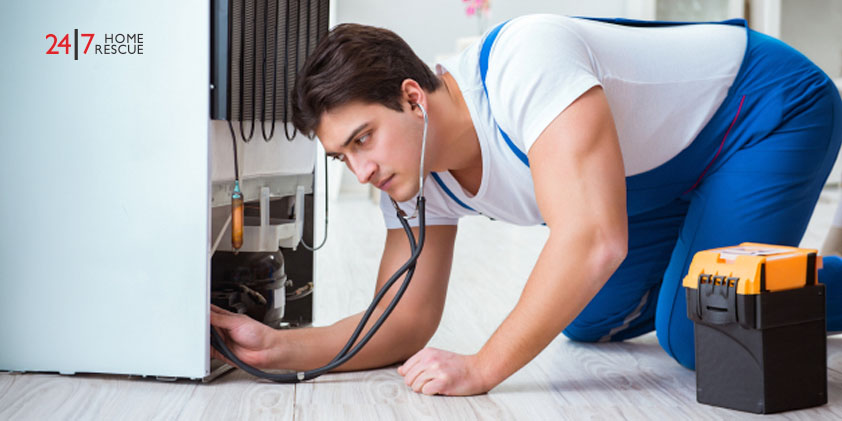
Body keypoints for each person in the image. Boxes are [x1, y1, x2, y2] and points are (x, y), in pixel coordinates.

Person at [210, 14, 842, 396]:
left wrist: (485, 367)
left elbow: (595, 240)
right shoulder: (415, 173)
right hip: (654, 174)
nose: (362, 169)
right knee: (589, 319)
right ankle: (739, 256)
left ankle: (793, 274)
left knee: (700, 335)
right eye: (343, 157)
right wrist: (274, 346)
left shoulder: (522, 64)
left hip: (760, 111)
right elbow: (402, 322)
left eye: (362, 139)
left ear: (412, 97)